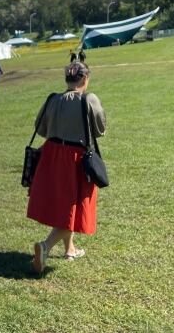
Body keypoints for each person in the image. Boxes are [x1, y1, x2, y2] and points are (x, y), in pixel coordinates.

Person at [27, 61, 106, 274]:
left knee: (66, 205)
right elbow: (100, 129)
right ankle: (45, 247)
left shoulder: (52, 99)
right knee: (75, 205)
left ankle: (70, 249)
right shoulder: (89, 99)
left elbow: (40, 127)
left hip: (51, 155)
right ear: (84, 78)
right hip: (75, 158)